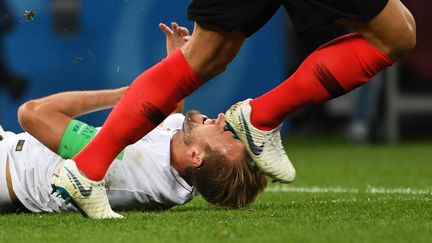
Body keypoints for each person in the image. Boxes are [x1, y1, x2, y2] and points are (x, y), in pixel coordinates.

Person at [52, 0, 416, 218]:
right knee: (396, 34)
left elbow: (34, 114)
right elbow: (34, 115)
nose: (219, 119)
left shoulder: (166, 168)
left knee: (208, 55)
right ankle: (262, 116)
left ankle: (86, 168)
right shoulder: (165, 172)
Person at [0, 23, 266, 216]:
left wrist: (122, 97)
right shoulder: (187, 165)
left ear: (196, 156)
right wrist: (176, 66)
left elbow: (33, 114)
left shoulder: (131, 166)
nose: (222, 119)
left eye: (227, 133)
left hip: (9, 170)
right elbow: (168, 119)